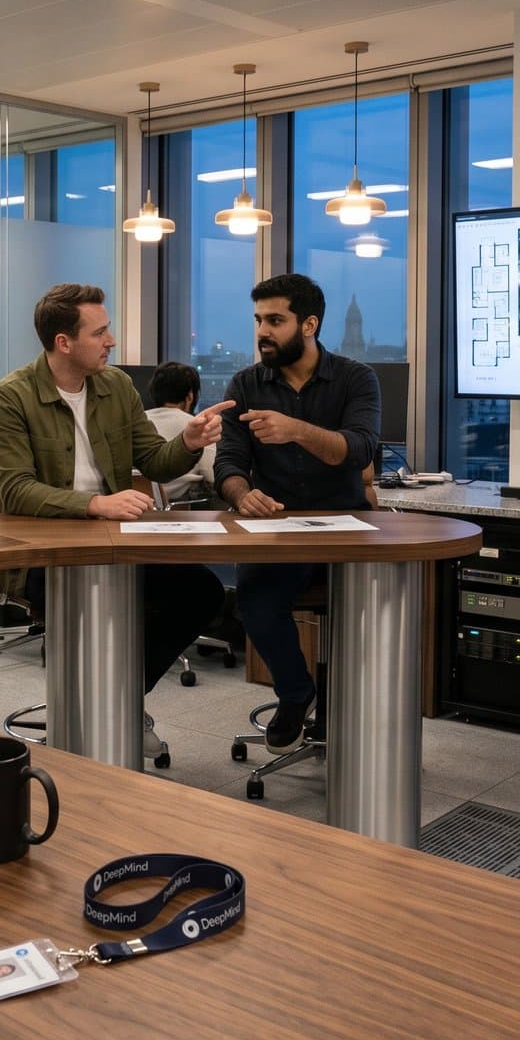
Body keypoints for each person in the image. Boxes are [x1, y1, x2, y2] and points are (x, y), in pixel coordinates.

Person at [0, 283, 230, 695]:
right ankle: (91, 711)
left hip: (114, 542)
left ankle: (120, 696)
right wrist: (97, 504)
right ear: (63, 342)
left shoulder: (115, 386)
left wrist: (188, 441)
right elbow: (17, 491)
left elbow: (153, 458)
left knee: (201, 593)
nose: (111, 341)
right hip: (43, 551)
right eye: (99, 333)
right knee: (85, 608)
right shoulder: (11, 397)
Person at [215, 274, 381, 753]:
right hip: (276, 529)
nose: (262, 331)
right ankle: (295, 692)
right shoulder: (245, 385)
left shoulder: (355, 378)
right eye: (258, 321)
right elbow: (228, 462)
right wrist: (241, 493)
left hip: (346, 528)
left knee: (383, 602)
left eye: (275, 320)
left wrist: (296, 429)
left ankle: (366, 721)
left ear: (309, 324)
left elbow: (359, 449)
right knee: (255, 600)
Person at [143, 361, 216, 505]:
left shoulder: (138, 421)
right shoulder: (199, 426)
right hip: (180, 508)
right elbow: (213, 475)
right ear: (190, 395)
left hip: (133, 506)